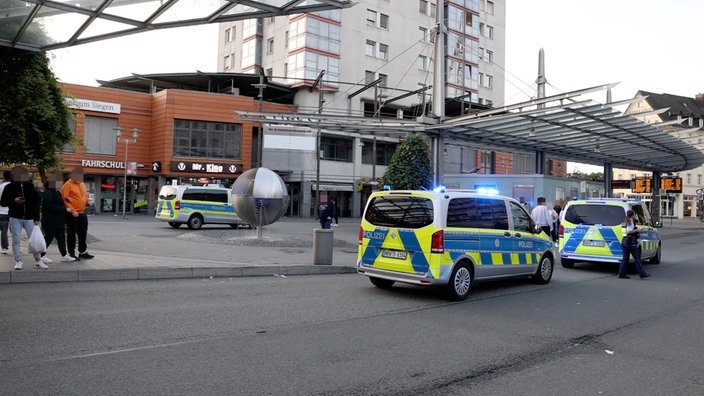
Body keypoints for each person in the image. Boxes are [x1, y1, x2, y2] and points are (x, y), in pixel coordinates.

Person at [0, 166, 46, 270]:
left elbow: (36, 204)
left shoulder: (31, 187)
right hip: (15, 217)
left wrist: (37, 217)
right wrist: (13, 200)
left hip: (29, 217)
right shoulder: (9, 187)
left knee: (34, 239)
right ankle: (18, 261)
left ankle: (38, 260)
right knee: (16, 239)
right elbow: (2, 202)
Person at [41, 174, 75, 263]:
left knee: (61, 238)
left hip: (59, 220)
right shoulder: (48, 193)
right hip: (51, 221)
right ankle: (41, 255)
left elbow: (59, 202)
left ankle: (64, 255)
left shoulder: (57, 192)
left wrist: (67, 200)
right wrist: (65, 209)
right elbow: (50, 206)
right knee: (48, 238)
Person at [63, 167, 94, 260]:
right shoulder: (67, 185)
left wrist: (88, 202)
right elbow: (65, 200)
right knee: (72, 234)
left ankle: (82, 251)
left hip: (82, 213)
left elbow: (84, 196)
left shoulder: (82, 184)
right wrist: (72, 211)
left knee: (83, 233)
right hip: (73, 214)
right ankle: (71, 253)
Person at [618, 209, 650, 279]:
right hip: (630, 241)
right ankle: (642, 274)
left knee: (625, 258)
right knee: (637, 258)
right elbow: (629, 231)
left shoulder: (625, 221)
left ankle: (621, 274)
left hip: (624, 241)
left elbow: (625, 232)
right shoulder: (630, 221)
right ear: (632, 215)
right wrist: (637, 230)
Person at [0, 170, 10, 255]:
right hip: (13, 211)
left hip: (2, 211)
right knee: (15, 231)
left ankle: (4, 248)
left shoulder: (1, 186)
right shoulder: (14, 186)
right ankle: (16, 246)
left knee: (4, 230)